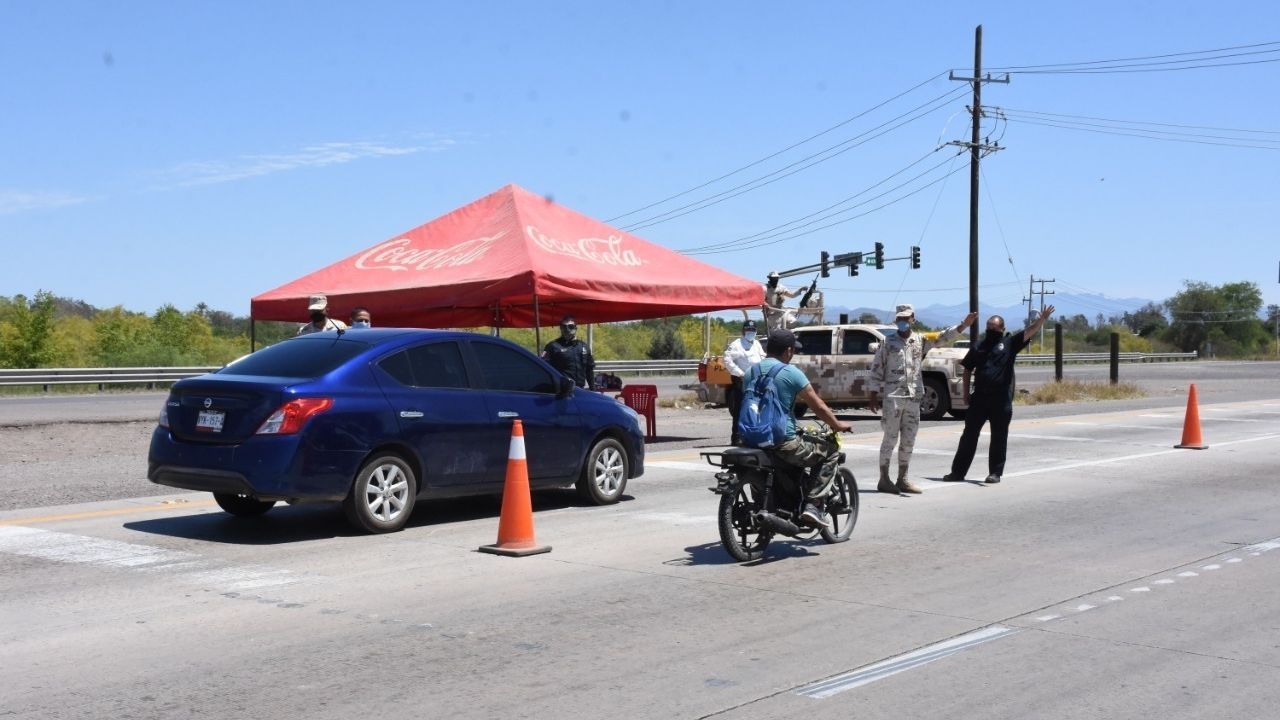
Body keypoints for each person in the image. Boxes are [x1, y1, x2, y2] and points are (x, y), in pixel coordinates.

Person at [742, 328, 851, 530]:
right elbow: (817, 405)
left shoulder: (751, 372)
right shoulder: (791, 372)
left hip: (751, 439)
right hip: (783, 441)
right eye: (793, 351)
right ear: (788, 351)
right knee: (830, 452)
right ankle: (814, 505)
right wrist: (837, 424)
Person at [867, 305, 978, 495]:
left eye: (906, 318)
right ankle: (884, 479)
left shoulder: (920, 340)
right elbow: (877, 368)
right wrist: (872, 395)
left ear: (913, 319)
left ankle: (902, 479)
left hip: (913, 397)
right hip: (893, 397)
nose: (902, 322)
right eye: (899, 318)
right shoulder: (888, 342)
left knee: (909, 439)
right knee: (890, 439)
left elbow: (943, 337)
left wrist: (963, 326)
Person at [943, 305, 1056, 484]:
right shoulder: (979, 345)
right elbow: (967, 369)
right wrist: (965, 395)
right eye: (988, 328)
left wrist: (1041, 320)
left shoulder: (1010, 344)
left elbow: (1029, 331)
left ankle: (995, 472)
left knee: (999, 436)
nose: (990, 331)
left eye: (994, 328)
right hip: (979, 398)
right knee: (969, 436)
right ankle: (957, 472)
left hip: (1000, 399)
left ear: (1002, 330)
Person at [723, 319, 765, 445]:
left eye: (753, 330)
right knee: (740, 410)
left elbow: (762, 357)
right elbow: (727, 360)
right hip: (742, 381)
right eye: (748, 330)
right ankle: (737, 437)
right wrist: (740, 373)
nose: (750, 332)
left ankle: (752, 436)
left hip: (756, 381)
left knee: (755, 409)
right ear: (743, 331)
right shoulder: (737, 344)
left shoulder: (756, 344)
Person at [542, 315, 596, 390]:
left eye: (570, 326)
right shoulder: (552, 346)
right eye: (564, 327)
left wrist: (593, 389)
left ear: (576, 328)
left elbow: (589, 370)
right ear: (560, 328)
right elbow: (544, 369)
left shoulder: (584, 346)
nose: (567, 329)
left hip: (580, 390)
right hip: (560, 391)